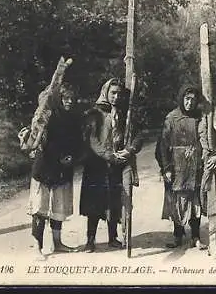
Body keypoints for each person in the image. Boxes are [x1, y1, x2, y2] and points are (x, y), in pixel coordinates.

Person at [80, 78, 143, 253]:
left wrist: (129, 150)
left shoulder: (125, 114)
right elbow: (92, 140)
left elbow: (138, 136)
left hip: (118, 165)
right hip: (97, 165)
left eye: (118, 94)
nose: (115, 97)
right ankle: (90, 240)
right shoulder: (94, 114)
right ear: (106, 93)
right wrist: (109, 156)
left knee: (114, 202)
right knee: (94, 204)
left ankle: (112, 237)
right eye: (112, 93)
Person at [158, 84, 216, 250]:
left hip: (196, 166)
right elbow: (162, 146)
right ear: (181, 99)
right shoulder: (171, 118)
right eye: (187, 99)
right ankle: (177, 236)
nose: (190, 103)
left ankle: (195, 237)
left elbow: (213, 139)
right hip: (176, 167)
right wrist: (166, 168)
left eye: (193, 100)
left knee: (195, 203)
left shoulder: (201, 119)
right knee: (177, 202)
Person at [24, 83, 83, 260]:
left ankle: (57, 243)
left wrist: (72, 157)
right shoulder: (46, 117)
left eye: (72, 98)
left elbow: (78, 141)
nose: (70, 102)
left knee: (59, 207)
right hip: (44, 166)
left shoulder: (74, 118)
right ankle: (37, 246)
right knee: (40, 209)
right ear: (58, 99)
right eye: (66, 98)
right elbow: (34, 136)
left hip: (63, 167)